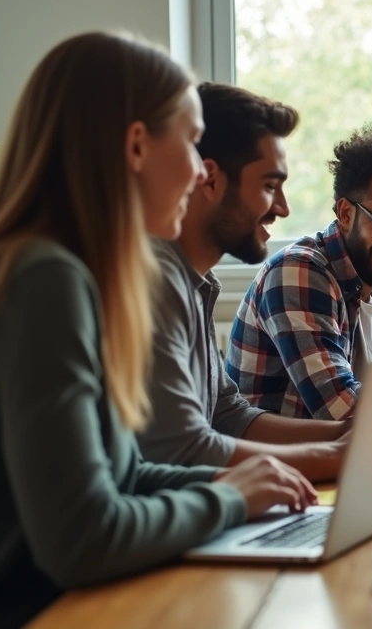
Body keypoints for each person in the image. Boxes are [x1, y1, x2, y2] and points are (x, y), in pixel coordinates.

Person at [0, 33, 314, 628]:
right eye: (192, 142)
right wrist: (230, 497)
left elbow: (120, 475)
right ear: (135, 146)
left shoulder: (67, 270)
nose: (199, 172)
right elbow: (82, 538)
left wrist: (240, 481)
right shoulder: (44, 279)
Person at [137, 83, 347, 480]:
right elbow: (183, 449)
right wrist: (334, 458)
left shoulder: (196, 282)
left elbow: (227, 415)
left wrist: (344, 436)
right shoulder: (156, 280)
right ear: (210, 180)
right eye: (269, 186)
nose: (282, 208)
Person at [225, 123, 372, 421]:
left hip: (362, 447)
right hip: (284, 451)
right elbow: (340, 410)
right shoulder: (298, 272)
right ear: (346, 214)